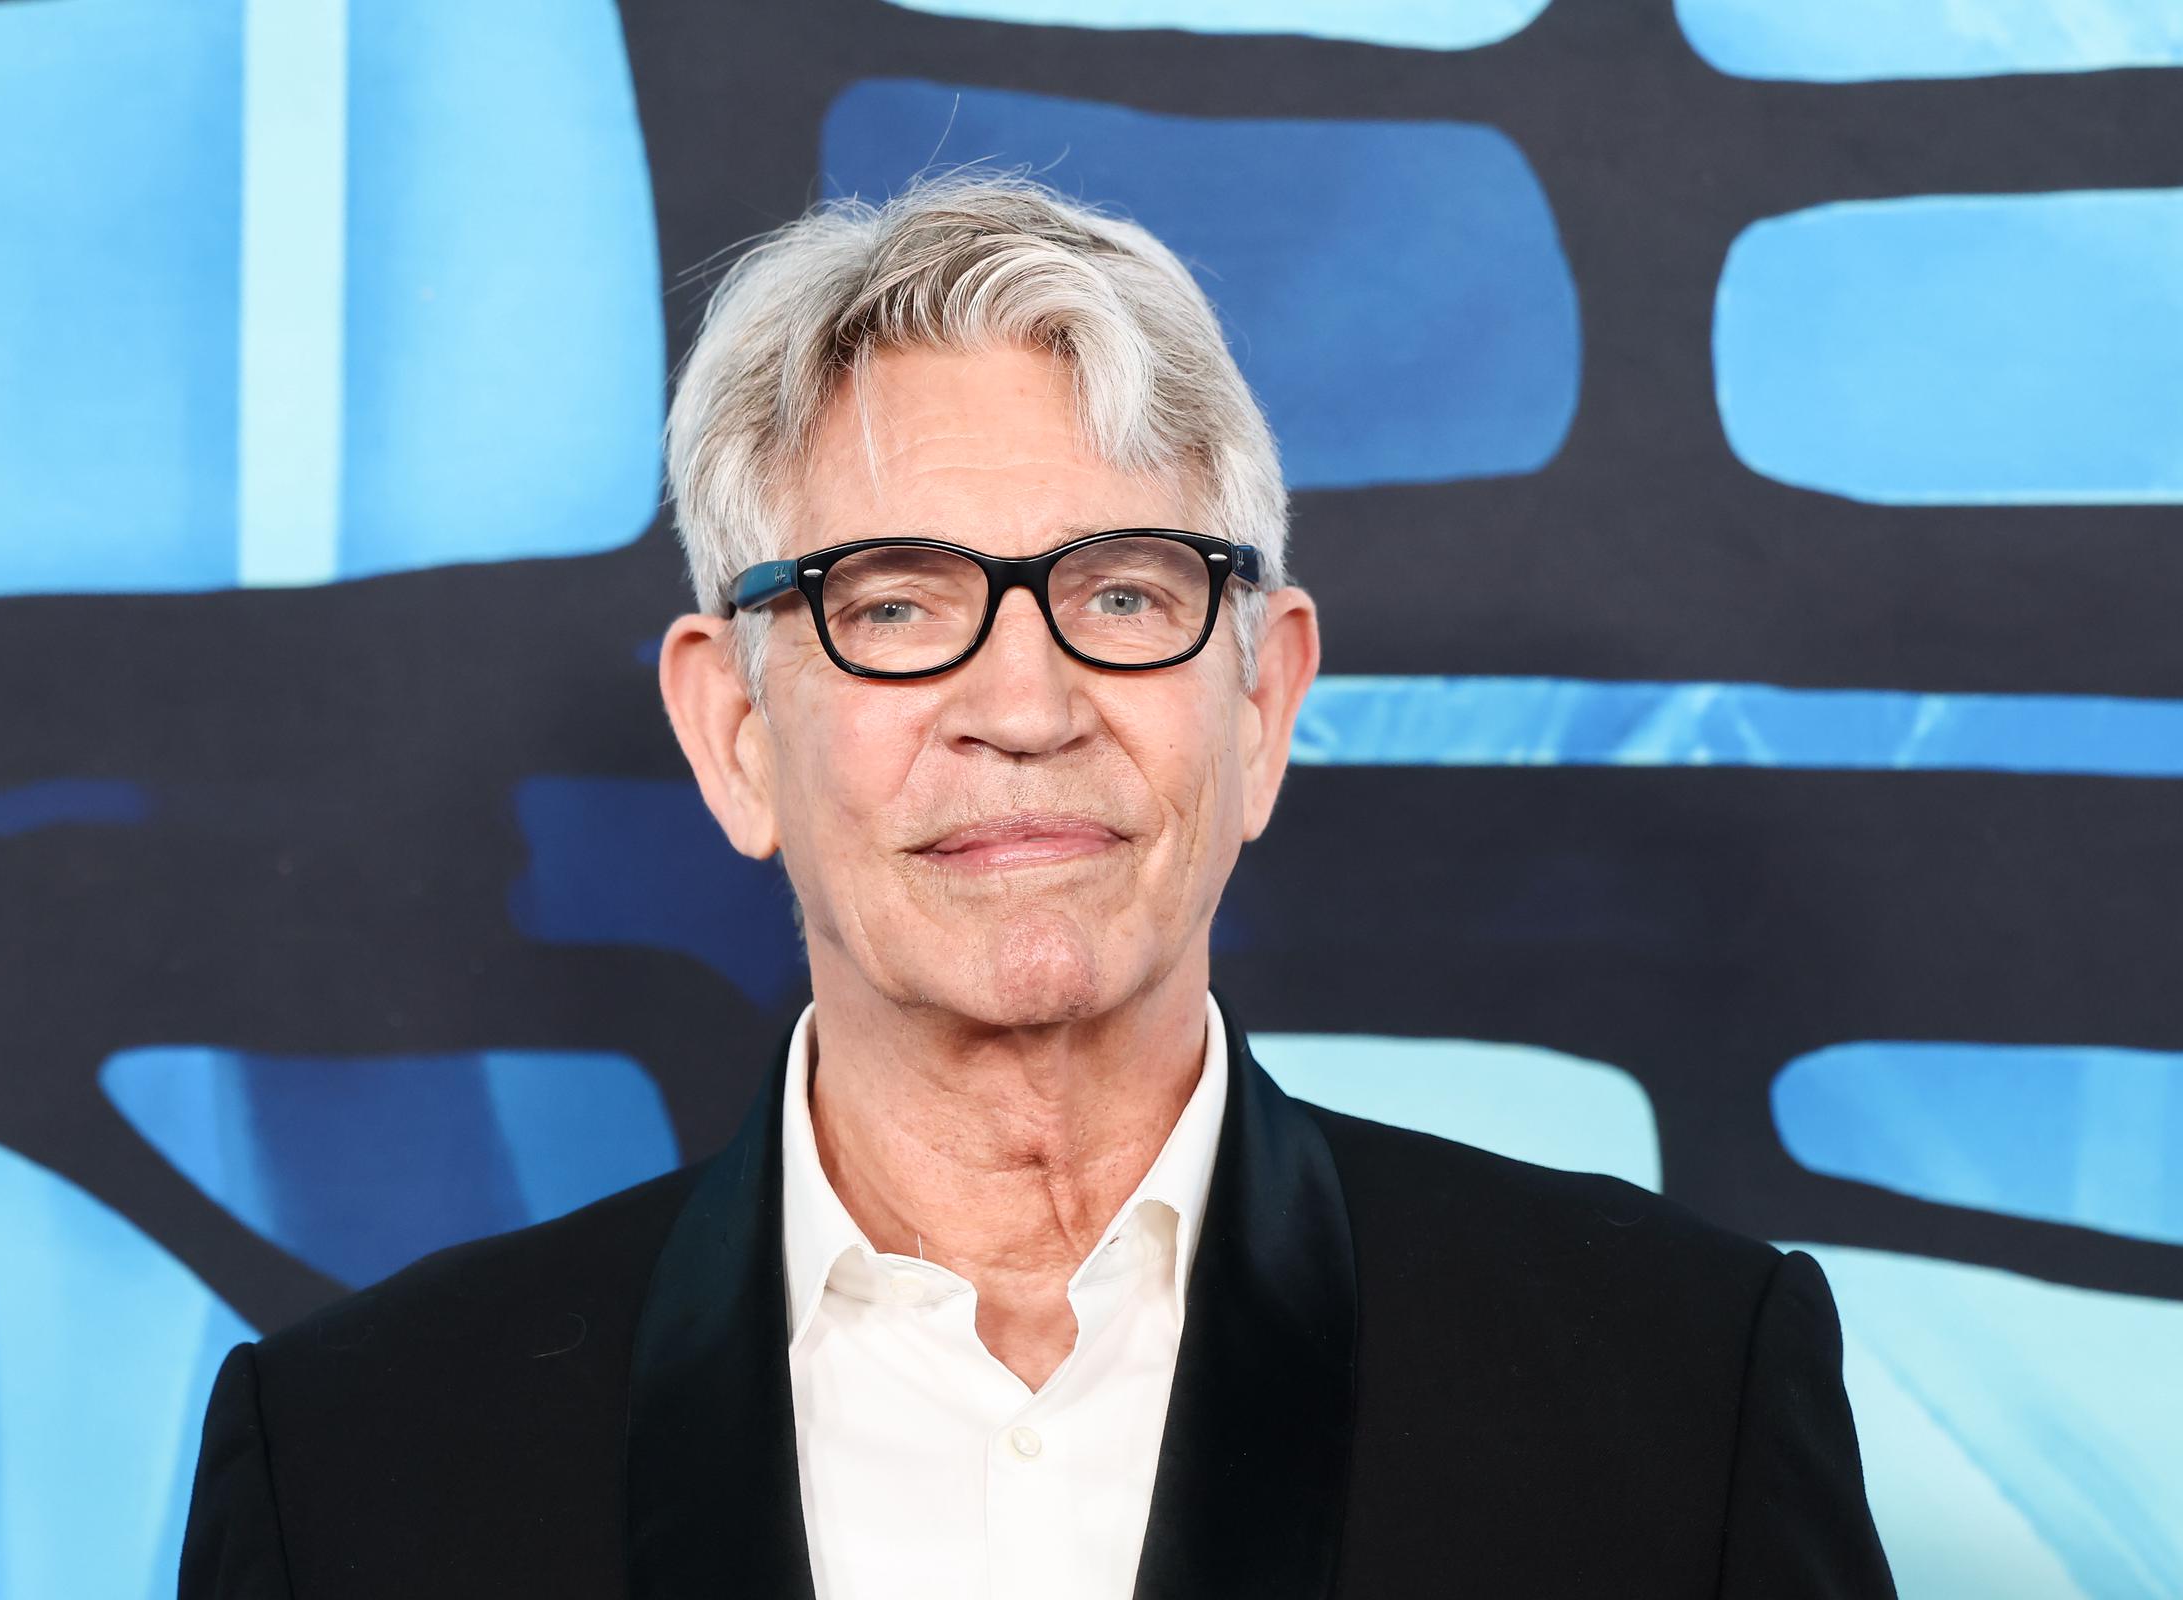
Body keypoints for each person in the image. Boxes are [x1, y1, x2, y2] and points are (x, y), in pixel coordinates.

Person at [179, 170, 1896, 1599]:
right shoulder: (358, 1469)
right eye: (898, 604)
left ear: (1266, 701)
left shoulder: (1679, 1389)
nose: (1023, 707)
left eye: (1130, 594)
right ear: (732, 732)